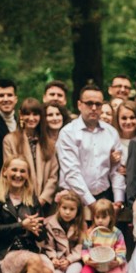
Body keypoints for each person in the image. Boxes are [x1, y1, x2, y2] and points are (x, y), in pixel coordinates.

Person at [56, 84, 124, 218]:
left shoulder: (111, 132)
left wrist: (118, 201)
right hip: (74, 200)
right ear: (79, 105)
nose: (94, 108)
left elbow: (116, 170)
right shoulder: (68, 132)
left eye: (98, 104)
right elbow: (71, 172)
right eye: (89, 103)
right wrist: (92, 204)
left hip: (105, 197)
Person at [3, 98, 58, 210]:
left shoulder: (49, 143)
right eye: (27, 114)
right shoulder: (10, 140)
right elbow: (9, 172)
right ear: (21, 115)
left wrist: (42, 199)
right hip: (19, 200)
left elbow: (53, 176)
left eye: (35, 114)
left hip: (44, 203)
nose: (31, 118)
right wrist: (26, 199)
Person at [43, 191, 85, 273]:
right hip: (57, 260)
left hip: (74, 260)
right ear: (58, 207)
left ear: (77, 211)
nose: (67, 212)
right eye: (64, 208)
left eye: (72, 209)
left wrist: (69, 260)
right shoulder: (50, 223)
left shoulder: (81, 225)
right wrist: (53, 258)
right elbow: (48, 245)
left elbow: (80, 247)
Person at [0, 79, 19, 158]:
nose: (6, 99)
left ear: (16, 99)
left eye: (9, 95)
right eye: (1, 95)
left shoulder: (20, 122)